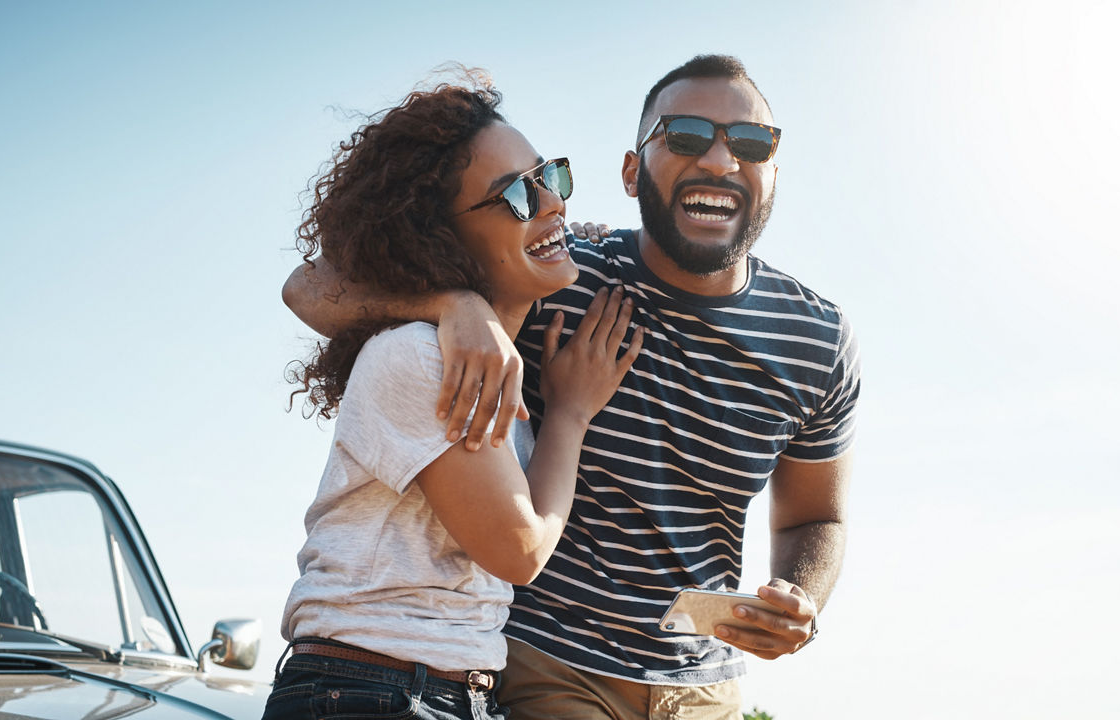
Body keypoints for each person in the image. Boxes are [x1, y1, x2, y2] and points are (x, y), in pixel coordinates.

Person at [282, 55, 861, 720]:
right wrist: (454, 304)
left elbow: (817, 517)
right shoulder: (551, 273)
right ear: (630, 171)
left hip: (704, 683)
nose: (721, 161)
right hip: (540, 666)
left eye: (752, 143)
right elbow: (311, 288)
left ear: (774, 173)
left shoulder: (819, 340)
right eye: (687, 137)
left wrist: (802, 598)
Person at [264, 71, 644, 720]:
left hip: (419, 690)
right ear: (444, 236)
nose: (552, 203)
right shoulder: (422, 354)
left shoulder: (475, 353)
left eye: (550, 177)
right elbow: (519, 550)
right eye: (520, 195)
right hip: (372, 691)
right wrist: (572, 414)